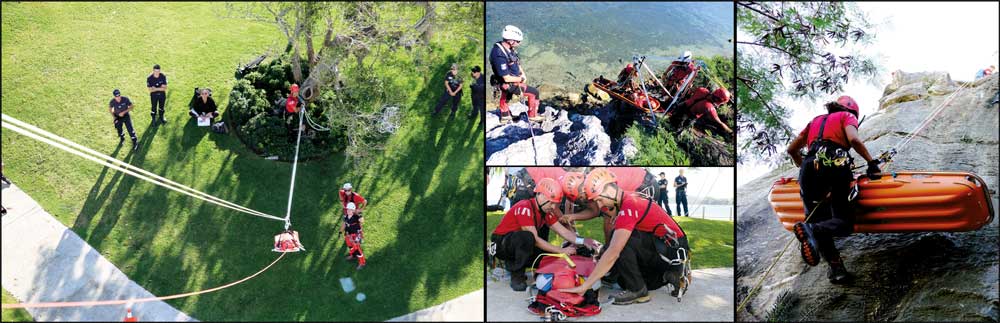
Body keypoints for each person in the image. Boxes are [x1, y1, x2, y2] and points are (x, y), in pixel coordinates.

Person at [785, 95, 880, 284]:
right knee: (843, 222)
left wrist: (807, 169)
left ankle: (836, 268)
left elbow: (792, 150)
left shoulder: (815, 121)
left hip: (808, 167)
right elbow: (854, 139)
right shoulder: (847, 116)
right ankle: (812, 229)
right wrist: (871, 163)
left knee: (817, 217)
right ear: (853, 112)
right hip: (835, 161)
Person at [559, 168, 689, 305]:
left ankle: (638, 290)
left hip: (671, 251)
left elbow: (614, 251)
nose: (600, 205)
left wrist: (585, 286)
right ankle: (667, 275)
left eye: (600, 200)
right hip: (667, 249)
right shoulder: (627, 198)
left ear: (608, 191)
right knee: (622, 279)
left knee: (620, 243)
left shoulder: (630, 204)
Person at [490, 178, 600, 291]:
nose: (553, 207)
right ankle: (517, 275)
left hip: (515, 243)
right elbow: (535, 239)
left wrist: (582, 241)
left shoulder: (545, 211)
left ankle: (516, 262)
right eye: (551, 202)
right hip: (500, 244)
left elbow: (563, 231)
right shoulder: (524, 207)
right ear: (540, 195)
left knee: (550, 257)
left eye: (555, 204)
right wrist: (561, 250)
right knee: (527, 237)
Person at [489, 25, 543, 123]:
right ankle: (533, 115)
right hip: (509, 83)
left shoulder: (507, 47)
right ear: (511, 41)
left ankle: (505, 115)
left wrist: (522, 73)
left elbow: (516, 61)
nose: (519, 43)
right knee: (534, 93)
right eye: (518, 41)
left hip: (510, 81)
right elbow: (506, 78)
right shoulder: (499, 55)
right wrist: (521, 79)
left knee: (506, 95)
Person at [342, 202, 366, 269]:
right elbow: (346, 224)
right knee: (350, 245)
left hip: (356, 235)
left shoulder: (356, 217)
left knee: (357, 249)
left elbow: (362, 221)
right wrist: (343, 232)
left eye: (350, 209)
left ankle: (362, 263)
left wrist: (360, 214)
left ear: (353, 210)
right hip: (349, 235)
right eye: (348, 209)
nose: (348, 210)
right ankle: (353, 255)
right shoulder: (346, 216)